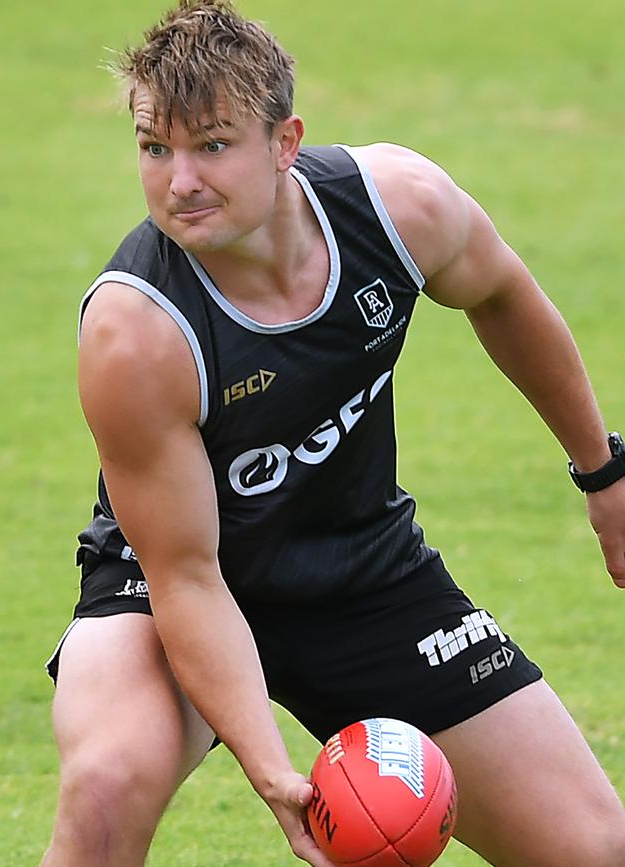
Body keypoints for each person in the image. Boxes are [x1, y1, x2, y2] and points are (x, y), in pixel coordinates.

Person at [41, 1, 625, 865]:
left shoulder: (397, 208)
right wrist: (274, 771)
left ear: (285, 143)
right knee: (105, 785)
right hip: (171, 588)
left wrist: (603, 473)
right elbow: (189, 578)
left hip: (359, 570)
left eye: (212, 144)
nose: (180, 181)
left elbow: (504, 295)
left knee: (596, 847)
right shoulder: (135, 332)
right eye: (154, 147)